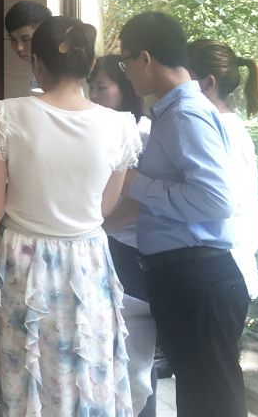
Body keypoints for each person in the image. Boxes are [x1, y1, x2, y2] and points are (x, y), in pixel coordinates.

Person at [0, 16, 137, 416]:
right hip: (88, 261)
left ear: (36, 62)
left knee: (23, 368)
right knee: (84, 365)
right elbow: (104, 207)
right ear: (90, 65)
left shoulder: (6, 115)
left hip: (21, 259)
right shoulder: (120, 126)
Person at [111, 11, 249, 417]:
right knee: (201, 397)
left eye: (125, 61)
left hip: (199, 276)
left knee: (212, 403)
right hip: (185, 275)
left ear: (145, 58)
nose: (125, 73)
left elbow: (216, 200)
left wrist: (136, 183)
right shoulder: (175, 111)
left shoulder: (186, 113)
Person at [89, 55, 158, 417]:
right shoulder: (101, 131)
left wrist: (92, 229)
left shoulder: (142, 134)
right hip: (111, 245)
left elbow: (138, 205)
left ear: (127, 89)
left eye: (101, 87)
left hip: (131, 253)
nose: (93, 95)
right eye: (90, 87)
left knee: (134, 360)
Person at [187, 38, 258, 300]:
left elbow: (216, 201)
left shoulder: (217, 131)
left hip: (224, 270)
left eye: (184, 79)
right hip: (227, 268)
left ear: (207, 83)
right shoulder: (226, 127)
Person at [3, 1, 52, 93]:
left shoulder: (60, 70)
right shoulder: (38, 66)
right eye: (13, 39)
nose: (19, 47)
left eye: (26, 39)